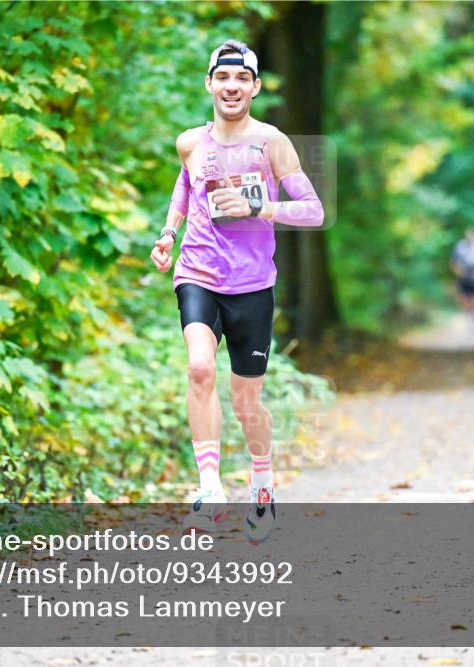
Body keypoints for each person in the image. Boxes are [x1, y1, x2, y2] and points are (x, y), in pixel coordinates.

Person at [149, 40, 324, 543]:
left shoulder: (272, 143)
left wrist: (261, 209)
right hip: (198, 271)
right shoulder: (190, 142)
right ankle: (209, 489)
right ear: (209, 83)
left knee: (247, 402)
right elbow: (183, 186)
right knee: (200, 368)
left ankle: (262, 485)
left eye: (241, 79)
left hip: (252, 284)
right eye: (222, 78)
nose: (231, 86)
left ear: (254, 87)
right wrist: (167, 234)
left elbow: (313, 211)